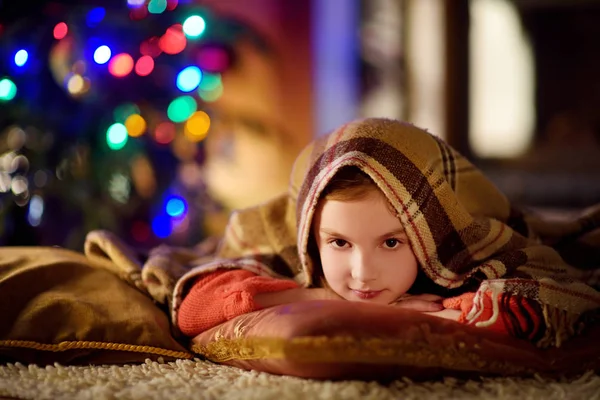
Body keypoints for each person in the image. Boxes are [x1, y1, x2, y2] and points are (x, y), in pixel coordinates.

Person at [174, 118, 600, 348]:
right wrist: (321, 297)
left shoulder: (459, 244)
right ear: (309, 234)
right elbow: (194, 308)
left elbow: (555, 301)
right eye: (339, 243)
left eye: (392, 242)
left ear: (428, 226)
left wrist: (448, 309)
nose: (363, 274)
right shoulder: (285, 242)